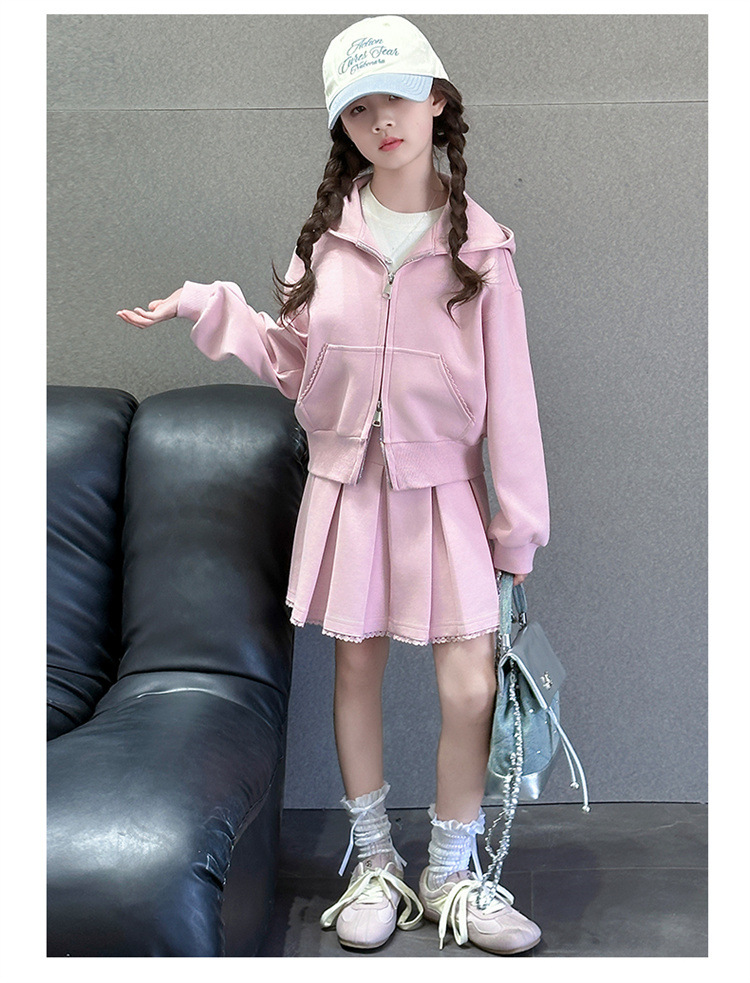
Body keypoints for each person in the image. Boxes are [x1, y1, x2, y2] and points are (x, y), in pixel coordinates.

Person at [117, 14, 549, 956]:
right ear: (342, 127)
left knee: (468, 684)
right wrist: (207, 305)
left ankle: (451, 870)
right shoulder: (327, 243)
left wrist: (516, 528)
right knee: (357, 668)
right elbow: (293, 361)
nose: (380, 120)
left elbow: (512, 399)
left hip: (445, 494)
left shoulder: (483, 249)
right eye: (358, 108)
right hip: (349, 486)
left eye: (396, 97)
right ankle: (374, 860)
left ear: (438, 101)